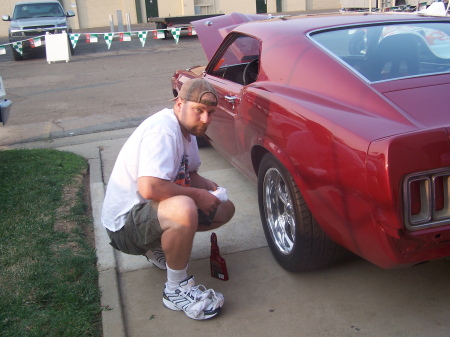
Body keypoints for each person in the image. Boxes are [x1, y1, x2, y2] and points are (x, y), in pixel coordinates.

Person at [101, 78, 235, 320]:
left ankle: (156, 246)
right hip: (123, 227)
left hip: (147, 213)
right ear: (179, 103)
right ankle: (176, 289)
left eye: (211, 112)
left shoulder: (189, 131)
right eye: (199, 110)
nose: (206, 119)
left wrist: (206, 187)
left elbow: (189, 173)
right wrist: (196, 196)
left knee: (224, 208)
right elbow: (150, 187)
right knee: (184, 208)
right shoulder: (163, 129)